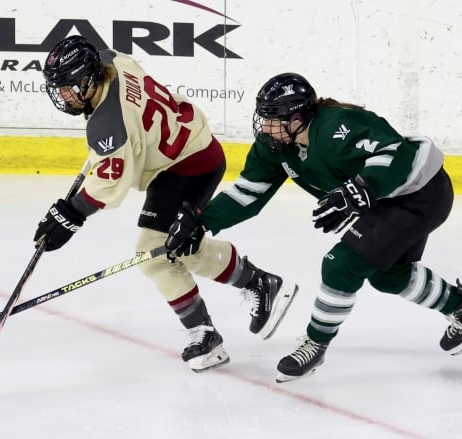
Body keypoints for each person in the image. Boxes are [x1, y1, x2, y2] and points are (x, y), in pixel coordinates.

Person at [164, 72, 462, 381]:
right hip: (384, 202)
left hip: (420, 194)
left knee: (341, 264)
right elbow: (249, 192)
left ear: (297, 119)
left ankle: (315, 344)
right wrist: (201, 221)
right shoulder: (276, 145)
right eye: (263, 118)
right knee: (387, 275)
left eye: (273, 120)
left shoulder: (339, 126)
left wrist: (363, 188)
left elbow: (394, 153)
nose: (265, 127)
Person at [33, 36, 298, 372]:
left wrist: (70, 214)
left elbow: (108, 185)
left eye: (70, 87)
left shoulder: (111, 125)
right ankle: (255, 285)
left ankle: (214, 326)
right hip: (182, 154)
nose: (65, 96)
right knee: (173, 249)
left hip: (191, 165)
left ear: (89, 77)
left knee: (156, 255)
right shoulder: (113, 62)